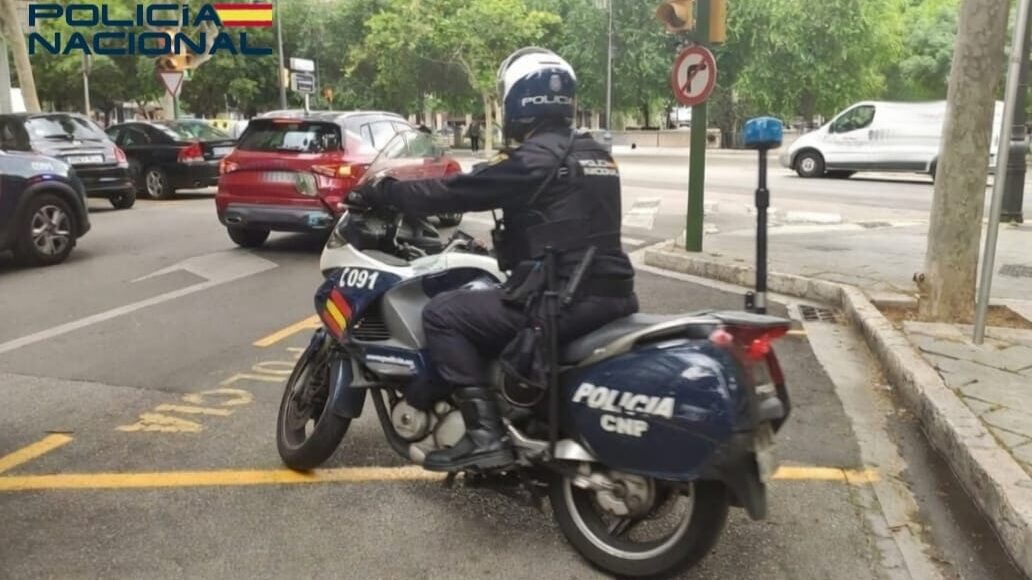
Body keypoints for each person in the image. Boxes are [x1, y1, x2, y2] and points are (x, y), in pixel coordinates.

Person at [350, 47, 637, 472]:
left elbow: (453, 193)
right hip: (611, 293)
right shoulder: (596, 154)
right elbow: (566, 225)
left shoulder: (534, 159)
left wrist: (386, 191)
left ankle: (485, 436)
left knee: (445, 314)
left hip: (561, 300)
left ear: (519, 99)